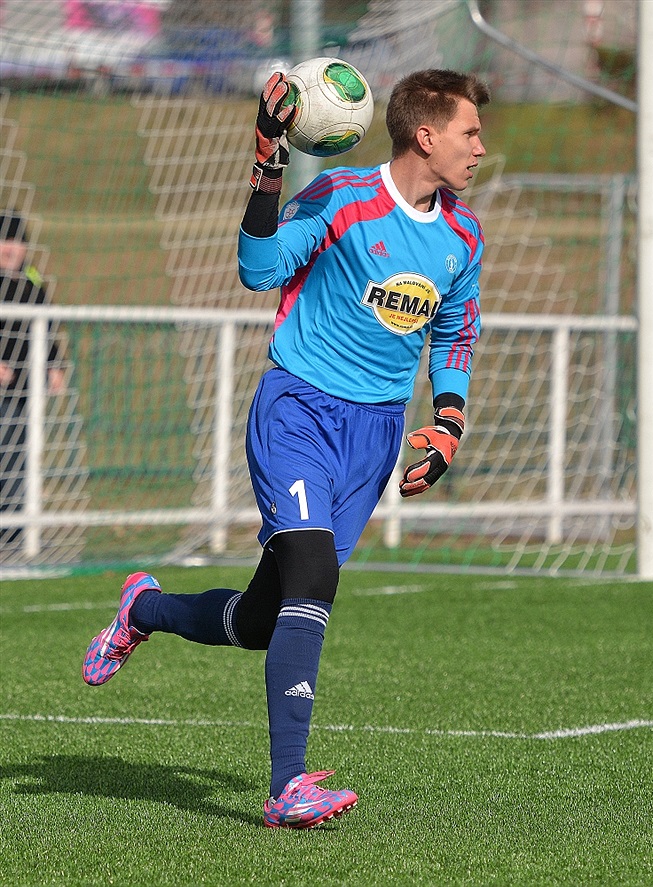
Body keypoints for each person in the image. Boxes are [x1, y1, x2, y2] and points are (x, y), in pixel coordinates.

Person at [82, 68, 490, 829]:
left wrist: (449, 420)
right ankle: (287, 785)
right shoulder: (337, 198)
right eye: (470, 132)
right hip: (298, 408)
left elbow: (455, 331)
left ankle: (144, 607)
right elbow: (258, 268)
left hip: (373, 439)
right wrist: (269, 160)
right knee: (314, 572)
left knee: (262, 620)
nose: (480, 147)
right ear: (425, 135)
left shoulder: (462, 233)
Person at [0, 211, 66, 552]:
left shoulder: (31, 282)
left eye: (17, 241)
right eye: (5, 241)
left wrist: (54, 365)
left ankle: (13, 531)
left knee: (19, 458)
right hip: (5, 387)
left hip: (26, 389)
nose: (11, 248)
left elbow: (47, 327)